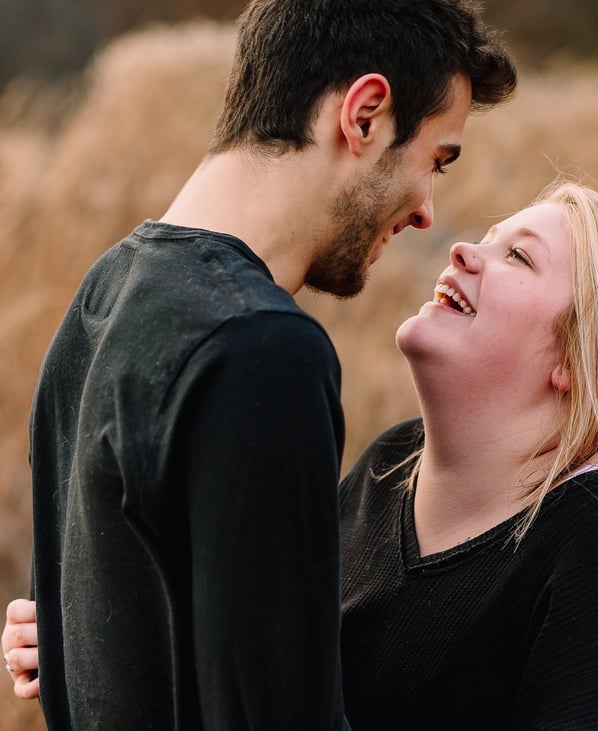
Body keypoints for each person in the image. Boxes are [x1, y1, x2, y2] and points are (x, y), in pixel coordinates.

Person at [8, 181, 598, 728]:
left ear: (580, 359)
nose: (465, 248)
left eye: (520, 259)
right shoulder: (380, 472)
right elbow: (268, 684)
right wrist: (109, 622)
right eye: (491, 237)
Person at [4, 0, 516, 728]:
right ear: (365, 114)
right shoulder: (260, 351)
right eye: (435, 159)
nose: (428, 211)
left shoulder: (99, 301)